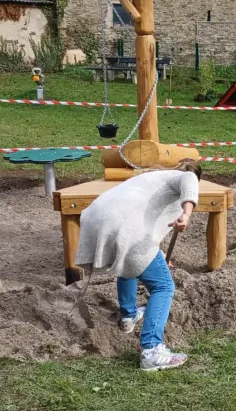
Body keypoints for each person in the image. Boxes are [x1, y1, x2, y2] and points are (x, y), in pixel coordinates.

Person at [74, 158, 201, 372]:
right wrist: (187, 214)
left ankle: (129, 315)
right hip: (123, 226)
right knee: (164, 287)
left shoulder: (152, 178)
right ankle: (152, 350)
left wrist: (156, 254)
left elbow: (144, 218)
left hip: (96, 217)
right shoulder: (185, 176)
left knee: (129, 262)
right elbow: (189, 179)